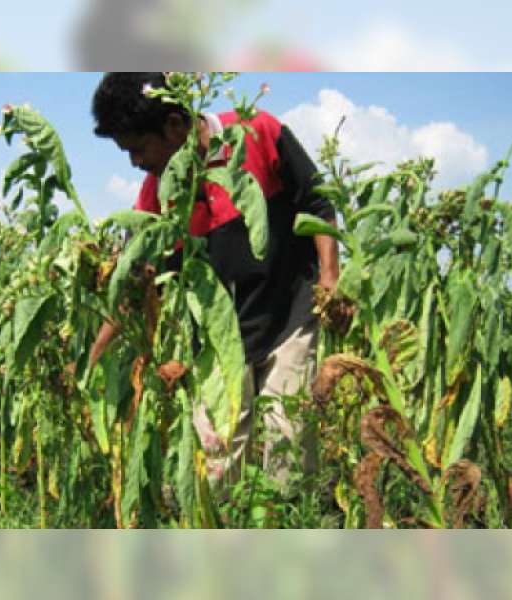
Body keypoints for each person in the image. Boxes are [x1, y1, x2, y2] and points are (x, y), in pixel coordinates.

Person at [90, 72, 341, 491]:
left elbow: (317, 201)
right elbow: (135, 283)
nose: (135, 163)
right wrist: (94, 358)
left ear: (174, 126)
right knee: (214, 469)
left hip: (289, 317)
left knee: (289, 451)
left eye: (137, 148)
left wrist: (330, 281)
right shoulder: (157, 194)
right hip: (219, 342)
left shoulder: (256, 132)